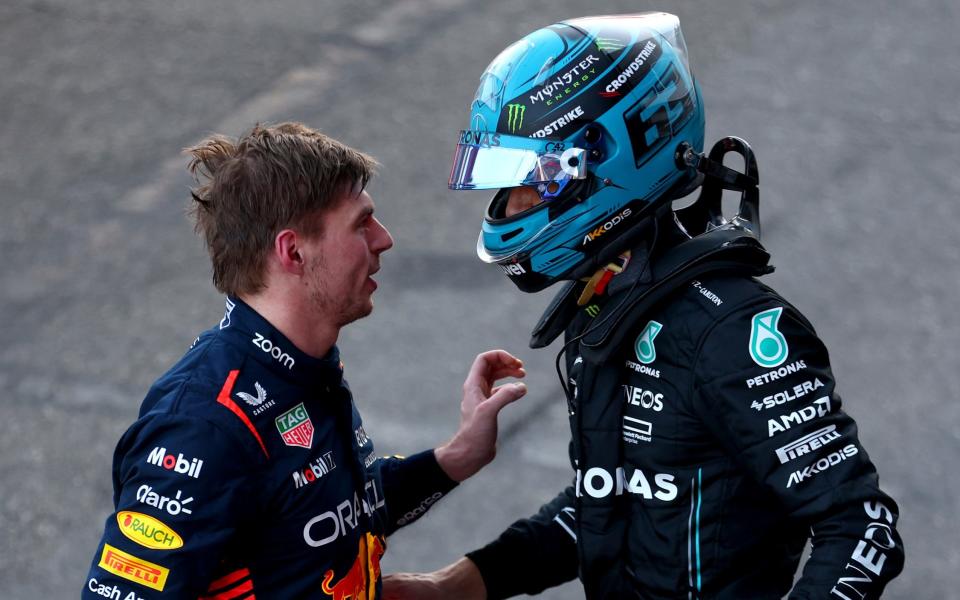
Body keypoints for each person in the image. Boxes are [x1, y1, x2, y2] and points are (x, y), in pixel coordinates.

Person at [384, 13, 904, 599]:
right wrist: (457, 584)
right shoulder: (605, 303)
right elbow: (615, 497)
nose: (508, 207)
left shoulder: (730, 331)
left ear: (602, 162)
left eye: (529, 179)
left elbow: (862, 526)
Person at [82, 122, 528, 599]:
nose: (384, 239)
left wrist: (456, 458)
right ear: (293, 250)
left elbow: (329, 516)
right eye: (361, 223)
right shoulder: (204, 425)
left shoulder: (304, 368)